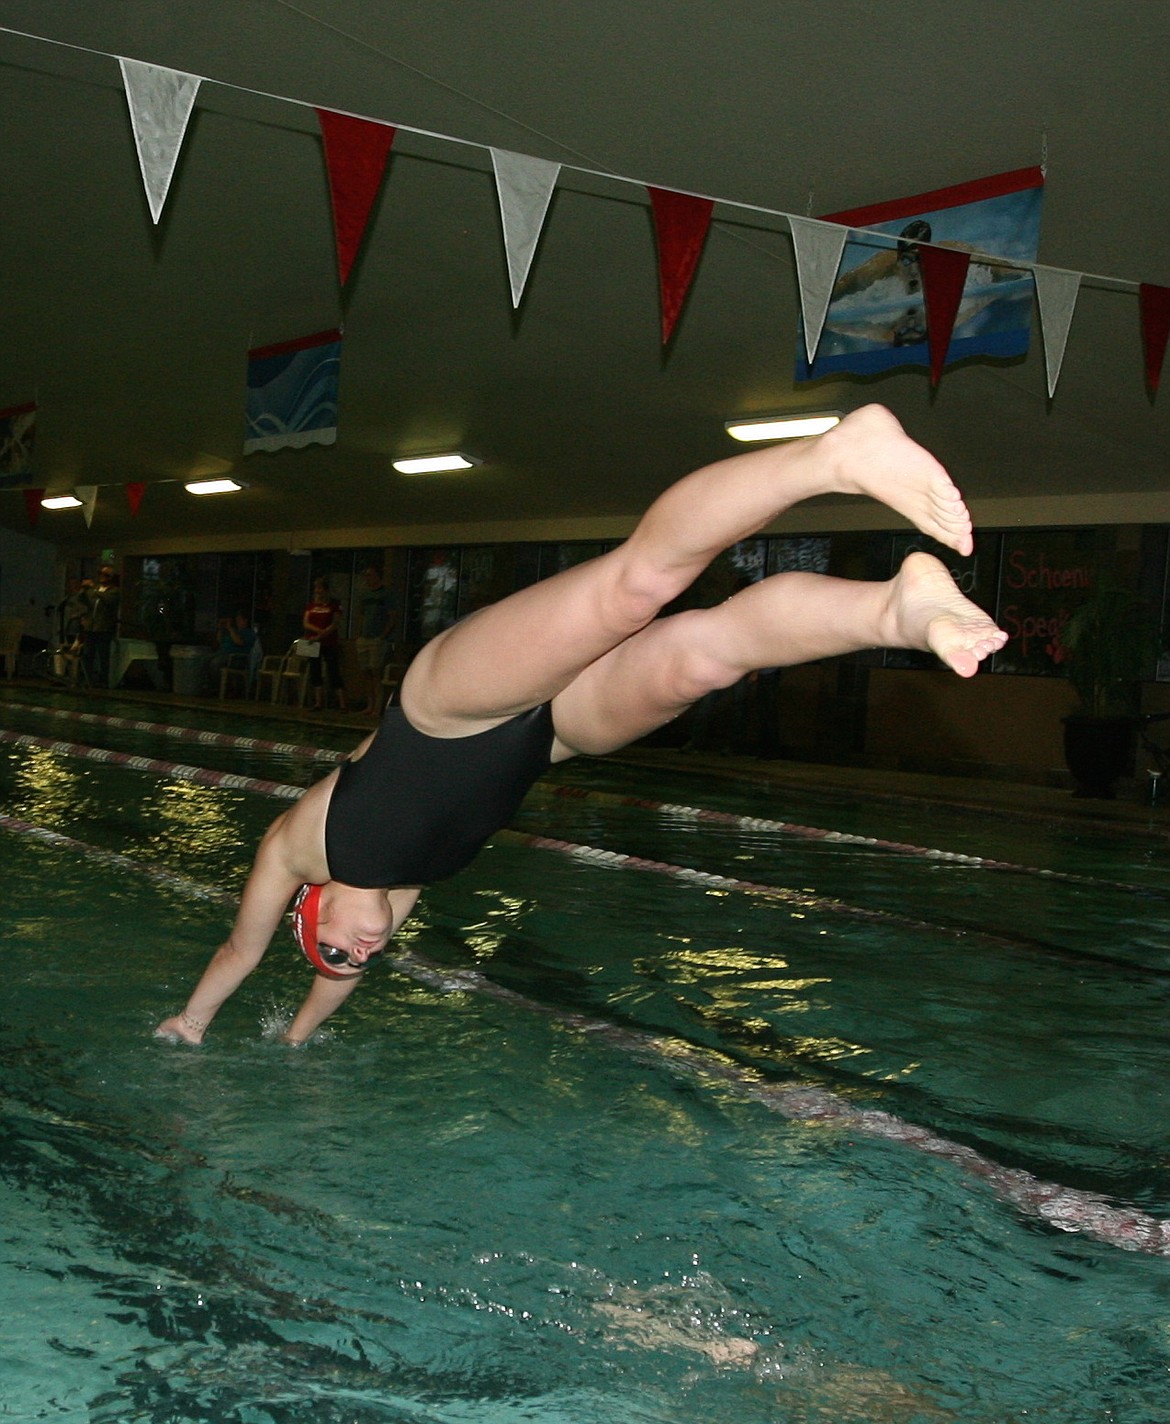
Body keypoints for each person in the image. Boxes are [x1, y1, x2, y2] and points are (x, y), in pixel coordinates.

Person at [156, 405, 1006, 1048]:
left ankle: (836, 453)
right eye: (359, 962)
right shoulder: (394, 900)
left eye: (338, 949)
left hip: (449, 705)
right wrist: (300, 1041)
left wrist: (192, 1024)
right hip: (546, 736)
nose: (364, 951)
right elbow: (330, 984)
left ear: (311, 911)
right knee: (702, 659)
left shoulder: (294, 852)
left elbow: (239, 949)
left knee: (633, 589)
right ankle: (894, 609)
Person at [354, 564, 396, 715]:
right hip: (364, 638)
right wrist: (358, 634)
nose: (367, 578)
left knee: (376, 671)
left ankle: (377, 707)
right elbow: (361, 615)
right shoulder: (364, 595)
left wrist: (383, 636)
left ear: (378, 576)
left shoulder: (386, 594)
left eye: (370, 575)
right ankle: (369, 704)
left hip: (377, 639)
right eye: (366, 575)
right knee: (366, 672)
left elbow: (392, 617)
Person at [301, 577, 348, 712]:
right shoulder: (311, 606)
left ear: (326, 590)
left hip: (329, 642)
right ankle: (318, 702)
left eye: (320, 588)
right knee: (315, 671)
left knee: (333, 671)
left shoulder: (334, 605)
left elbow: (334, 624)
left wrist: (320, 636)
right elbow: (306, 622)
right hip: (312, 642)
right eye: (316, 588)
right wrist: (318, 633)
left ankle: (342, 704)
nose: (318, 591)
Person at [81, 566, 119, 688]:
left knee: (103, 656)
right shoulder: (95, 590)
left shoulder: (114, 591)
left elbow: (108, 600)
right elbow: (84, 601)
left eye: (105, 574)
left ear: (110, 577)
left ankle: (103, 681)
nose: (101, 576)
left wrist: (93, 589)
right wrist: (83, 590)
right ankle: (88, 679)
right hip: (90, 628)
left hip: (103, 629)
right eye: (100, 574)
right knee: (88, 655)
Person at [208, 609, 258, 691]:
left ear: (245, 620)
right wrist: (220, 628)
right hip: (221, 653)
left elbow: (239, 642)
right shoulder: (234, 631)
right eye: (236, 620)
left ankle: (217, 687)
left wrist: (230, 628)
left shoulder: (249, 633)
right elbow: (220, 641)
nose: (237, 622)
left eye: (239, 620)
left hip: (235, 658)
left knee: (215, 663)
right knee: (202, 660)